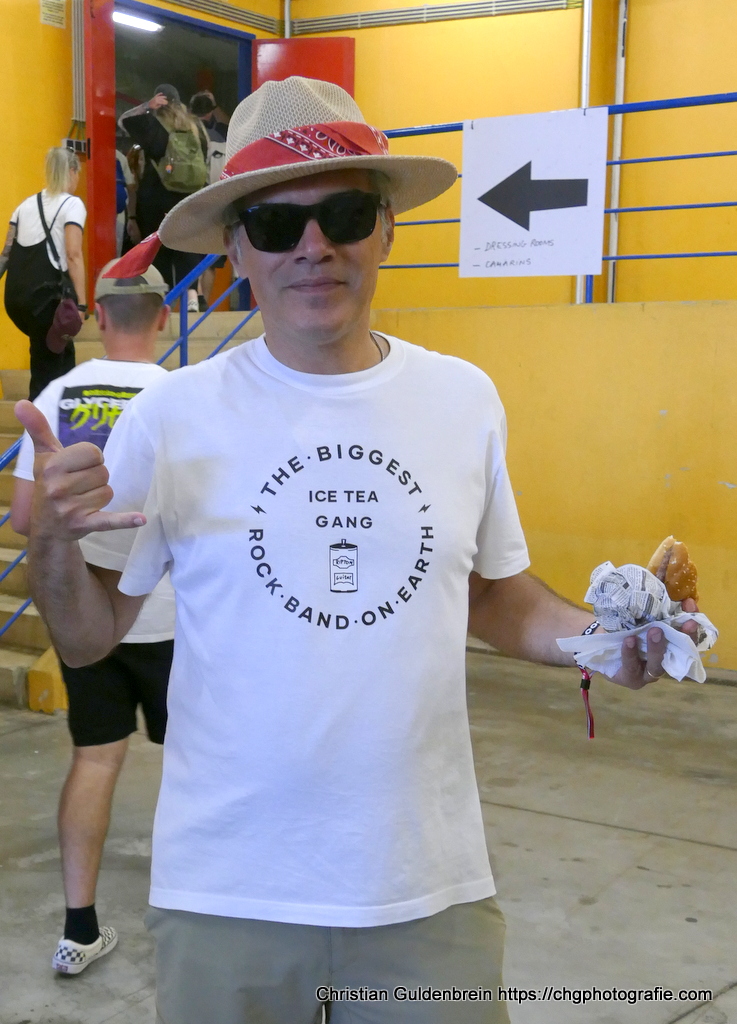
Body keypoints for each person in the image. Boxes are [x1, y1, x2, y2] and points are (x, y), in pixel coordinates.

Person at [16, 77, 700, 1022]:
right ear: (233, 251)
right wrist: (52, 541)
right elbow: (90, 636)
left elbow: (491, 592)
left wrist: (603, 642)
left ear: (385, 230)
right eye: (274, 223)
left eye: (342, 214)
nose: (313, 246)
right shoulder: (171, 417)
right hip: (227, 890)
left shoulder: (462, 398)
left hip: (424, 884)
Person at [12, 263, 176, 976]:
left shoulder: (55, 395)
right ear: (163, 315)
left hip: (84, 619)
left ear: (98, 317)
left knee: (95, 758)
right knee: (198, 764)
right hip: (173, 620)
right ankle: (200, 920)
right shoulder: (182, 396)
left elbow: (26, 520)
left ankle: (78, 929)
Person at [0, 147, 87, 399]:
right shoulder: (72, 204)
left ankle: (58, 410)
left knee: (58, 354)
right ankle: (37, 417)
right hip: (45, 301)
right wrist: (82, 304)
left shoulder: (23, 206)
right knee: (47, 370)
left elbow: (5, 254)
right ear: (72, 171)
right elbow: (73, 254)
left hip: (16, 300)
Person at [119, 84, 208, 311]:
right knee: (187, 246)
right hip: (189, 198)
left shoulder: (153, 124)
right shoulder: (196, 127)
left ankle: (164, 302)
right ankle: (192, 297)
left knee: (159, 249)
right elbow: (204, 159)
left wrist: (147, 106)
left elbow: (123, 120)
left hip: (155, 198)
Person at [189, 91, 228, 311]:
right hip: (217, 198)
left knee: (193, 249)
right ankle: (206, 302)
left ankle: (197, 296)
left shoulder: (187, 133)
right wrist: (215, 102)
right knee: (212, 255)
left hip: (193, 197)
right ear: (211, 111)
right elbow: (229, 122)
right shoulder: (220, 134)